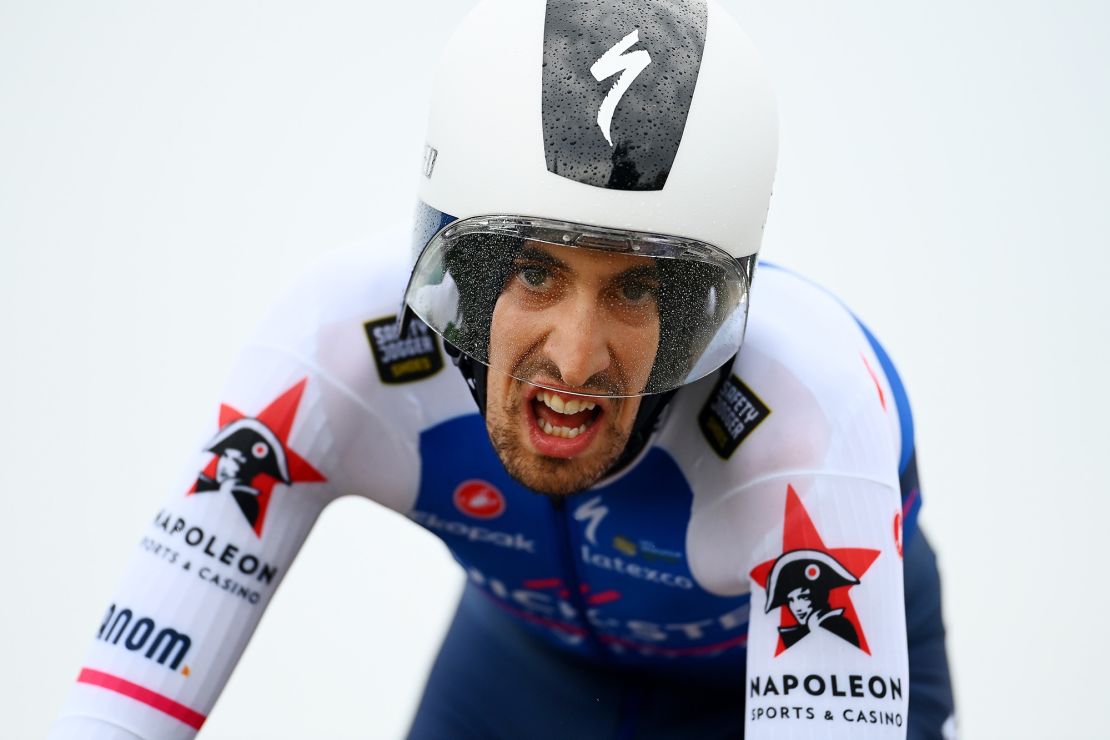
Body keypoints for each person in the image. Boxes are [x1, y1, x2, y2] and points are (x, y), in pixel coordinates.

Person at [49, 0, 956, 738]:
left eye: (636, 288)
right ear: (464, 274)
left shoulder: (809, 415)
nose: (572, 358)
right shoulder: (340, 343)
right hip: (524, 678)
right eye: (533, 271)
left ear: (705, 310)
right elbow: (115, 714)